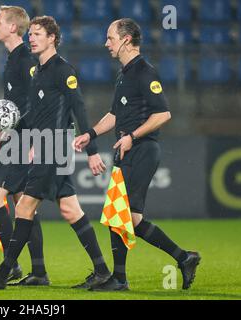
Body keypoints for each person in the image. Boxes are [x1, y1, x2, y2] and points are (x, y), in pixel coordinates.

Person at [0, 15, 111, 290]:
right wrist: (13, 132)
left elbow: (78, 108)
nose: (31, 38)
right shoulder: (41, 72)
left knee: (24, 207)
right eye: (30, 34)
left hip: (53, 146)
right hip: (44, 145)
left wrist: (91, 150)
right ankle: (102, 271)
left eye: (37, 34)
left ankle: (5, 271)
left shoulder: (62, 70)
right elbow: (35, 114)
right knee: (70, 209)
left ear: (52, 38)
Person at [73, 18, 201, 291]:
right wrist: (91, 134)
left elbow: (163, 114)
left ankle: (119, 279)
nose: (106, 43)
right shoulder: (125, 73)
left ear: (126, 39)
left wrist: (132, 136)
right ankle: (184, 257)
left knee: (118, 214)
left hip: (142, 150)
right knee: (131, 218)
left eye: (110, 37)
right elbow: (115, 114)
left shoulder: (144, 71)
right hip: (128, 149)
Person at [0, 5, 50, 286]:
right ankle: (39, 272)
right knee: (24, 206)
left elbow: (37, 100)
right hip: (15, 138)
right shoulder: (14, 58)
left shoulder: (25, 58)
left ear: (13, 27)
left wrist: (30, 139)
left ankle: (10, 265)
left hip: (22, 141)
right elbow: (14, 105)